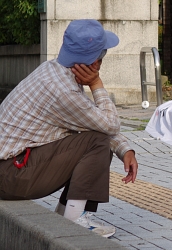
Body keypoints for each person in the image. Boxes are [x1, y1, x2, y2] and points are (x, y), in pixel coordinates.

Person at [0, 19, 139, 238]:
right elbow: (108, 124)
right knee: (96, 143)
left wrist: (125, 149)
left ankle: (66, 214)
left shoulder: (54, 72)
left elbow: (91, 121)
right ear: (94, 62)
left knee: (94, 139)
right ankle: (74, 221)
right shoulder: (62, 91)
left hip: (10, 169)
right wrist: (96, 84)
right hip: (10, 175)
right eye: (102, 55)